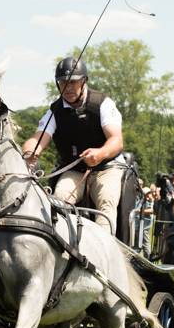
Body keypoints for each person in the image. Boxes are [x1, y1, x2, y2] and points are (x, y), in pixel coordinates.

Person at [22, 57, 126, 235]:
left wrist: (100, 153)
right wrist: (29, 152)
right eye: (62, 83)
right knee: (58, 200)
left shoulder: (102, 104)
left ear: (83, 81)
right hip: (75, 170)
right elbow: (37, 138)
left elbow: (116, 140)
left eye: (73, 82)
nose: (67, 88)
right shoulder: (55, 110)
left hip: (107, 167)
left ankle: (104, 255)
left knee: (106, 202)